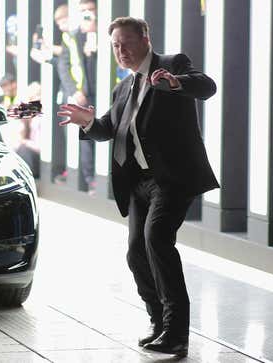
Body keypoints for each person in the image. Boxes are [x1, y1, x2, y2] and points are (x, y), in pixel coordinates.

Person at [57, 17, 218, 357]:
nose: (121, 51)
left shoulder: (171, 65)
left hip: (171, 178)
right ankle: (158, 321)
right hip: (139, 182)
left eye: (127, 43)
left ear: (145, 39)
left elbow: (205, 86)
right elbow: (109, 130)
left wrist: (175, 83)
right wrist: (88, 123)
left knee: (157, 239)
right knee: (135, 252)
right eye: (115, 46)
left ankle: (176, 333)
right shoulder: (124, 88)